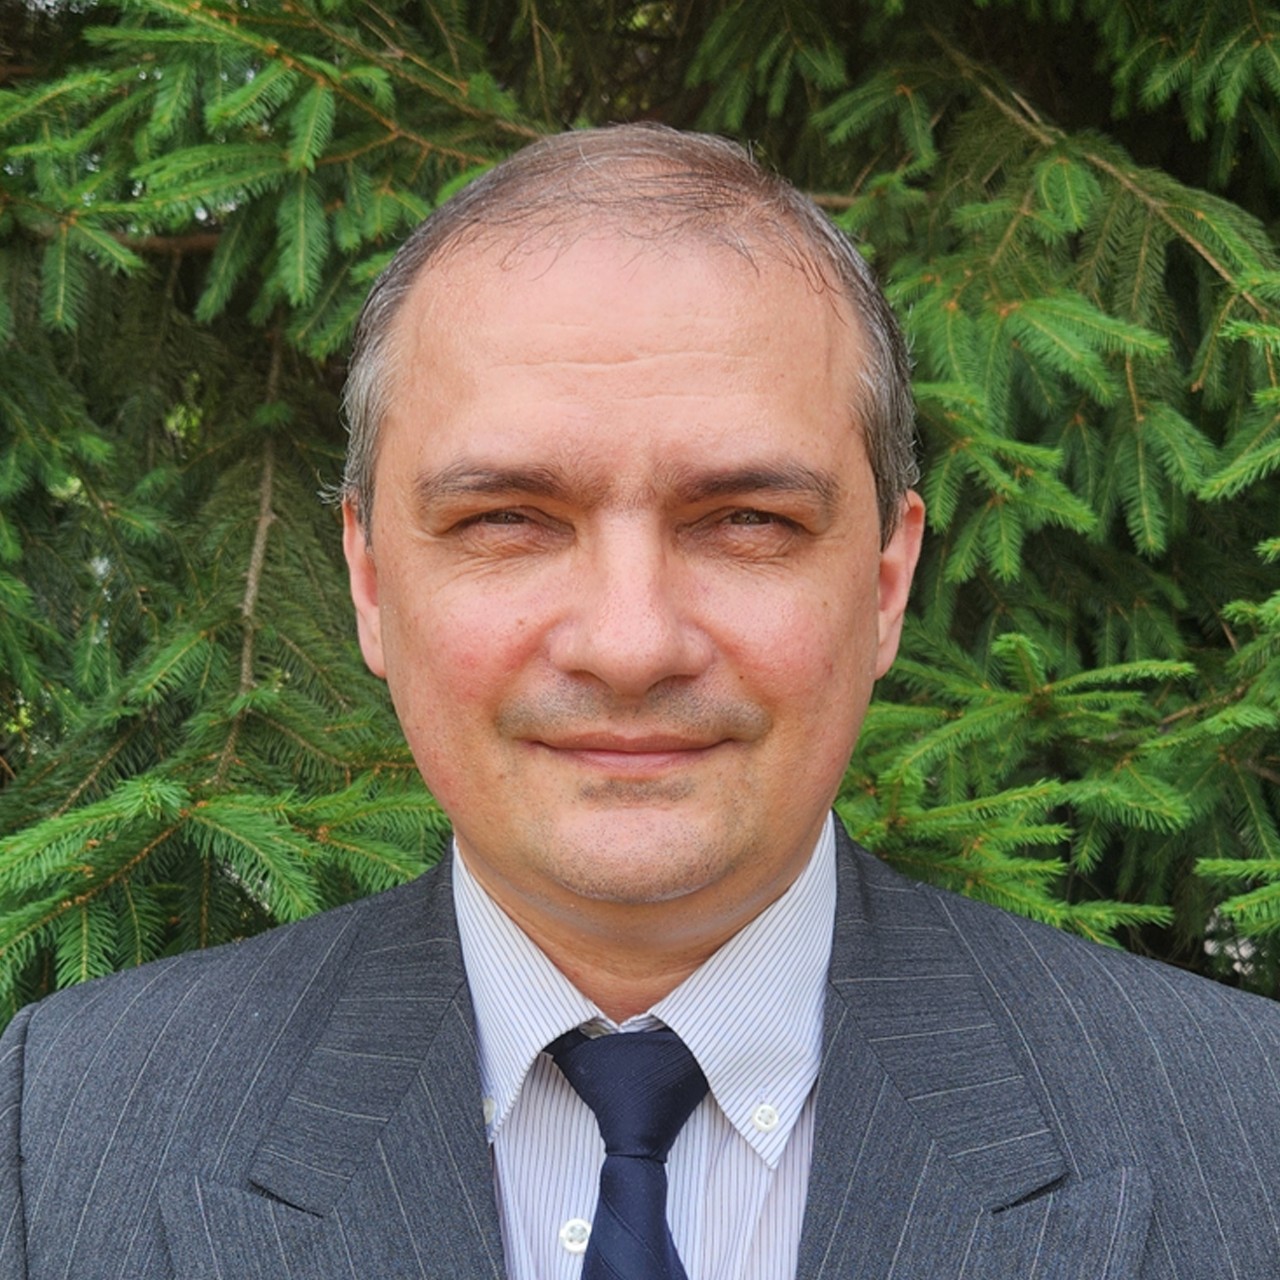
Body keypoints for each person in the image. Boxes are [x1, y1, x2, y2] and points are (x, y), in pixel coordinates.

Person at [1, 125, 1278, 1280]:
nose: (628, 642)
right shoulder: (64, 1127)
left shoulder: (1241, 1125)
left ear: (884, 581)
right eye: (507, 517)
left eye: (744, 519)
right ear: (372, 578)